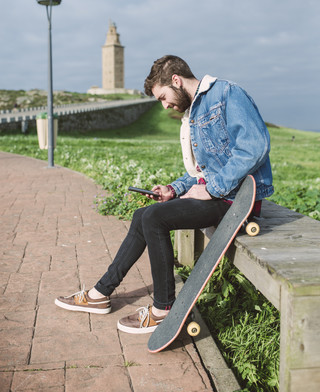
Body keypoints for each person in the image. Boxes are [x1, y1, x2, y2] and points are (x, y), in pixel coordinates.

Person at [55, 55, 273, 334]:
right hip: (219, 196)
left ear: (176, 80)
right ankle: (100, 294)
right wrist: (174, 189)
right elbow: (202, 170)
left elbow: (254, 147)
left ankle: (163, 308)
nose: (165, 104)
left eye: (162, 97)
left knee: (155, 218)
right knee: (142, 215)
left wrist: (210, 189)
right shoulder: (194, 111)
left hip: (238, 200)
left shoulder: (228, 94)